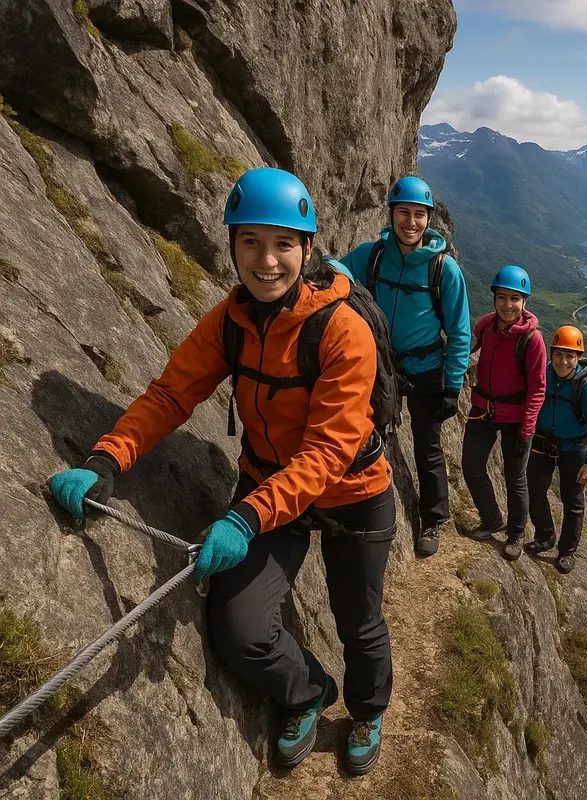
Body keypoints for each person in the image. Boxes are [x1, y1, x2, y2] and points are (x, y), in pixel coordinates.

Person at [47, 168, 396, 775]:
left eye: (284, 243)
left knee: (357, 619)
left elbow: (328, 452)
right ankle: (308, 693)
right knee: (239, 629)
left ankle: (368, 710)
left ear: (307, 249)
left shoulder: (343, 330)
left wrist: (245, 515)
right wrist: (107, 457)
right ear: (232, 244)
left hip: (352, 494)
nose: (267, 261)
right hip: (267, 488)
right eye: (251, 242)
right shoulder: (229, 323)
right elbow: (170, 396)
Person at [339, 176, 470, 557]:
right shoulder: (373, 256)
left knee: (427, 447)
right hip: (384, 367)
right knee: (372, 430)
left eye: (418, 215)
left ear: (428, 219)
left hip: (428, 369)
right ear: (391, 214)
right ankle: (369, 503)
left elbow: (459, 332)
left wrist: (452, 386)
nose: (410, 222)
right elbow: (338, 271)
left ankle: (433, 519)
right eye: (403, 213)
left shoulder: (443, 270)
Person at [462, 265, 547, 560]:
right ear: (494, 298)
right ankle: (491, 519)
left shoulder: (532, 340)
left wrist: (527, 432)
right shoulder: (485, 327)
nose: (507, 305)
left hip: (516, 417)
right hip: (483, 409)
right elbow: (473, 353)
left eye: (514, 298)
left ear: (524, 302)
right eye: (502, 297)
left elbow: (537, 389)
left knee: (515, 478)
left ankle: (516, 533)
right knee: (471, 467)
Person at [525, 326, 587, 573]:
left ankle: (567, 551)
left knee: (573, 502)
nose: (563, 361)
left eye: (570, 356)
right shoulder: (542, 374)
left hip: (574, 448)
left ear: (578, 358)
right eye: (559, 354)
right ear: (551, 353)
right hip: (542, 443)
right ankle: (546, 535)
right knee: (534, 492)